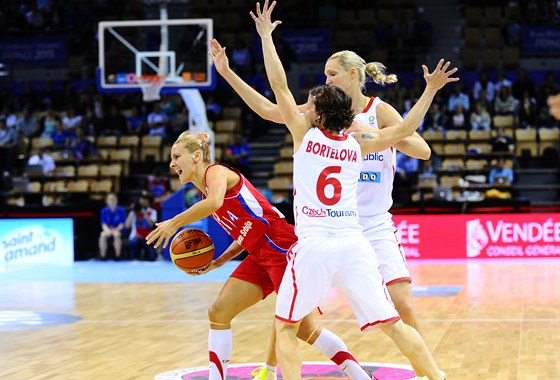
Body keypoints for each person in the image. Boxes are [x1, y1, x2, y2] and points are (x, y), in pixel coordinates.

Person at [210, 13, 446, 380]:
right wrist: (430, 90)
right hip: (352, 239)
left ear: (319, 110)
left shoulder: (307, 133)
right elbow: (405, 128)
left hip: (325, 238)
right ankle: (437, 377)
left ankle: (279, 371)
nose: (321, 82)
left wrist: (265, 39)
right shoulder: (358, 142)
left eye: (327, 77)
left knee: (286, 323)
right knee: (392, 324)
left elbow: (278, 86)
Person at [146, 131, 373, 380]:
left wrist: (173, 223)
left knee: (304, 329)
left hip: (281, 245)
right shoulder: (206, 195)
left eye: (177, 156)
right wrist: (218, 262)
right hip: (258, 253)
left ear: (197, 156)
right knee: (218, 312)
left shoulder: (216, 173)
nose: (172, 163)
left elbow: (214, 203)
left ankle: (360, 376)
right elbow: (245, 232)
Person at [126, 194, 158, 261]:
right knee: (134, 257)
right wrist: (131, 214)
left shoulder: (152, 211)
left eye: (146, 202)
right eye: (142, 202)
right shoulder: (134, 212)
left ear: (148, 203)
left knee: (152, 258)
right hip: (136, 237)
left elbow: (152, 225)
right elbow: (127, 225)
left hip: (148, 237)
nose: (144, 203)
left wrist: (145, 214)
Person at [98, 192, 127, 260]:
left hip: (118, 229)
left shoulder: (121, 210)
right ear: (107, 201)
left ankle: (118, 255)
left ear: (116, 200)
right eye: (110, 199)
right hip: (108, 229)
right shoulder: (104, 210)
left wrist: (115, 230)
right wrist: (107, 230)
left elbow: (122, 224)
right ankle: (103, 255)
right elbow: (103, 223)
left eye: (113, 199)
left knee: (116, 235)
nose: (112, 201)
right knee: (102, 235)